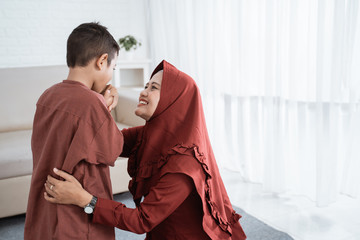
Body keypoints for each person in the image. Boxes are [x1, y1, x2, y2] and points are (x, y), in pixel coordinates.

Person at [44, 60, 247, 240]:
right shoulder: (148, 135)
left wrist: (83, 199)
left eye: (154, 88)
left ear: (173, 101)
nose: (143, 92)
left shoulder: (184, 165)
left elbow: (140, 221)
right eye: (146, 86)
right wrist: (102, 107)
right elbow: (109, 143)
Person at [24, 22, 124, 240]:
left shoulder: (47, 96)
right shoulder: (91, 104)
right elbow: (113, 150)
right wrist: (105, 108)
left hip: (45, 207)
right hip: (77, 220)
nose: (111, 76)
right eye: (112, 69)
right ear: (102, 61)